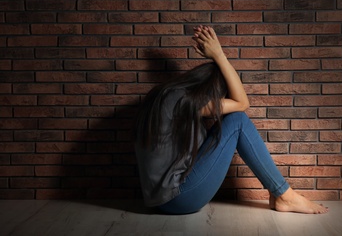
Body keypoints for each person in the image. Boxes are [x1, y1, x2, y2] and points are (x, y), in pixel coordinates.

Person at [135, 25, 328, 215]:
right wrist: (219, 56)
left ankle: (279, 194)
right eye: (219, 95)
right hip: (179, 199)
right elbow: (242, 103)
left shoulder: (166, 96)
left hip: (160, 199)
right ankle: (284, 195)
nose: (218, 101)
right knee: (237, 120)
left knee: (233, 119)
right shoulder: (180, 100)